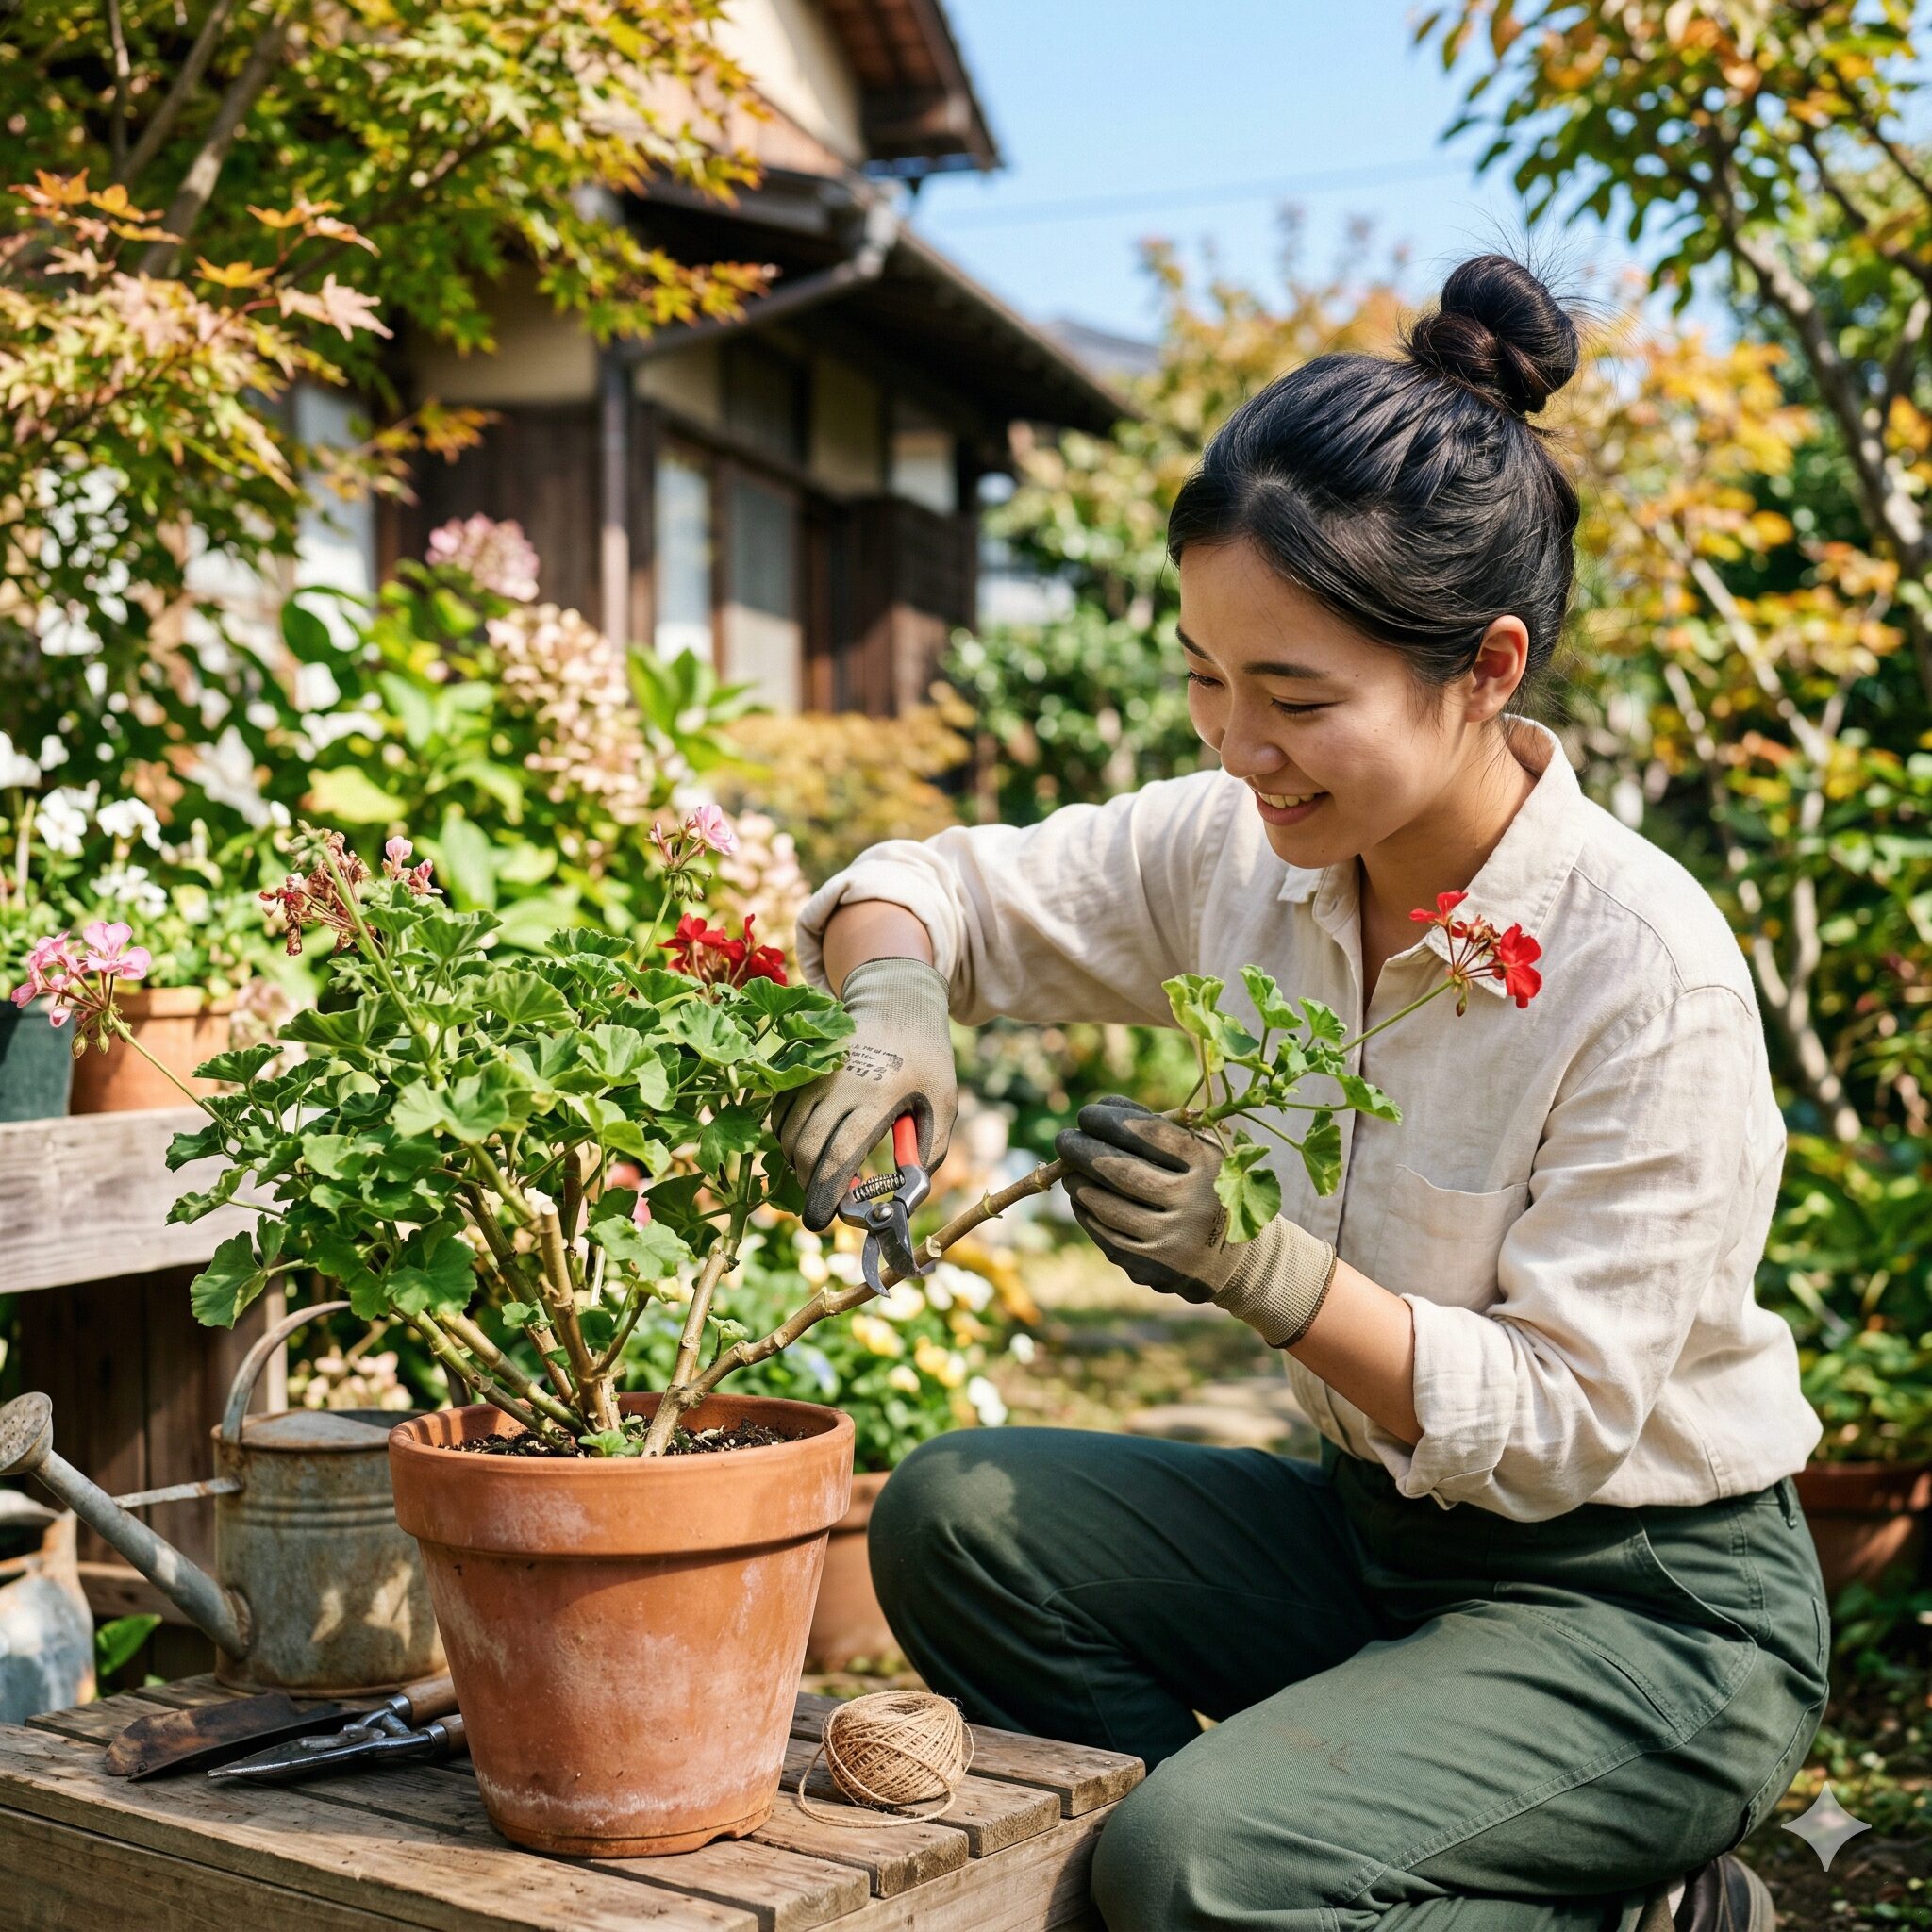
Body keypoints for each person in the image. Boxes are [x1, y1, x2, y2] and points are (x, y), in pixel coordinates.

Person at [774, 254, 1827, 1932]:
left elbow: (1557, 1430)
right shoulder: (1242, 849)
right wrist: (892, 992)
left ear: (1485, 669)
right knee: (954, 1518)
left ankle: (1611, 1906)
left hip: (1646, 1610)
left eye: (1296, 698)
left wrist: (1261, 1267)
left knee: (1199, 1867)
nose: (1235, 743)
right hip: (1375, 1546)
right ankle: (1314, 1868)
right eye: (1207, 674)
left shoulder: (1647, 971)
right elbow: (930, 881)